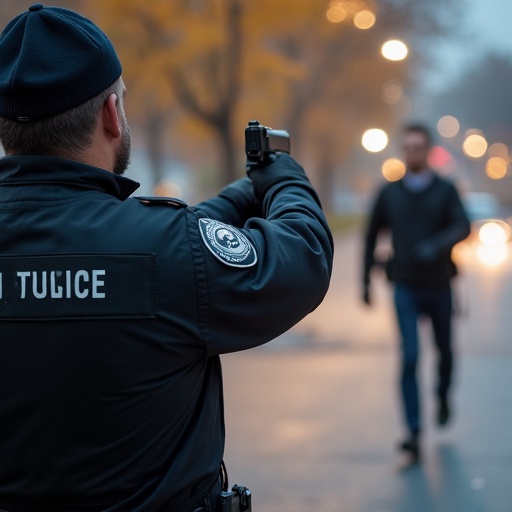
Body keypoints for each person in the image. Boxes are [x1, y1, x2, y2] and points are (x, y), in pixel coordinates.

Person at [0, 5, 333, 511]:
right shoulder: (171, 248)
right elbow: (301, 256)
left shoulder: (172, 245)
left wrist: (231, 201)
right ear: (112, 114)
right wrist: (285, 179)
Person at [362, 124, 470, 463]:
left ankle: (442, 395)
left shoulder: (446, 190)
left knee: (445, 352)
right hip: (405, 286)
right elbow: (370, 236)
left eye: (418, 147)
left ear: (429, 151)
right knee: (409, 357)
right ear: (402, 151)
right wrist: (363, 282)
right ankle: (413, 432)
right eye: (407, 147)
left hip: (439, 285)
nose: (413, 153)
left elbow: (463, 225)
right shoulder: (389, 193)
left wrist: (437, 246)